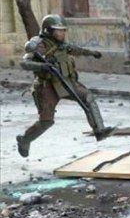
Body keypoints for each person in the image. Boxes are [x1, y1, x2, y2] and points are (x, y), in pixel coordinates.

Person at [17, 15, 114, 157]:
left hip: (65, 82)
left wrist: (92, 53)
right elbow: (24, 63)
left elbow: (74, 49)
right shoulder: (39, 45)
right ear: (49, 30)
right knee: (46, 122)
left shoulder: (61, 44)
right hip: (47, 86)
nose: (62, 33)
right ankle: (25, 140)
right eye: (58, 30)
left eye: (63, 30)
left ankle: (99, 130)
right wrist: (43, 66)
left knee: (88, 97)